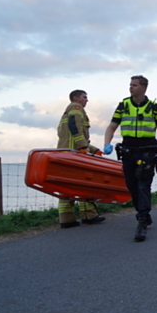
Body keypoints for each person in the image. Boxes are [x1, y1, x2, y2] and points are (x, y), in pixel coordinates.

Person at [103, 75, 157, 242]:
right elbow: (112, 127)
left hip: (146, 153)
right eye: (130, 84)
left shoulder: (154, 107)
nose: (130, 87)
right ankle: (143, 213)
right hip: (128, 152)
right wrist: (107, 143)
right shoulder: (123, 105)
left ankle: (142, 220)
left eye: (134, 85)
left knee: (143, 186)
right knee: (132, 186)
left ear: (144, 88)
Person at [56, 89, 105, 228]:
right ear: (76, 98)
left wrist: (93, 149)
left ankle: (67, 218)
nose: (86, 100)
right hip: (75, 154)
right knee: (84, 183)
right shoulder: (76, 108)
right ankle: (88, 215)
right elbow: (75, 128)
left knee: (67, 185)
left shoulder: (67, 112)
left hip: (66, 153)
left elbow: (72, 134)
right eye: (84, 97)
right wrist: (83, 147)